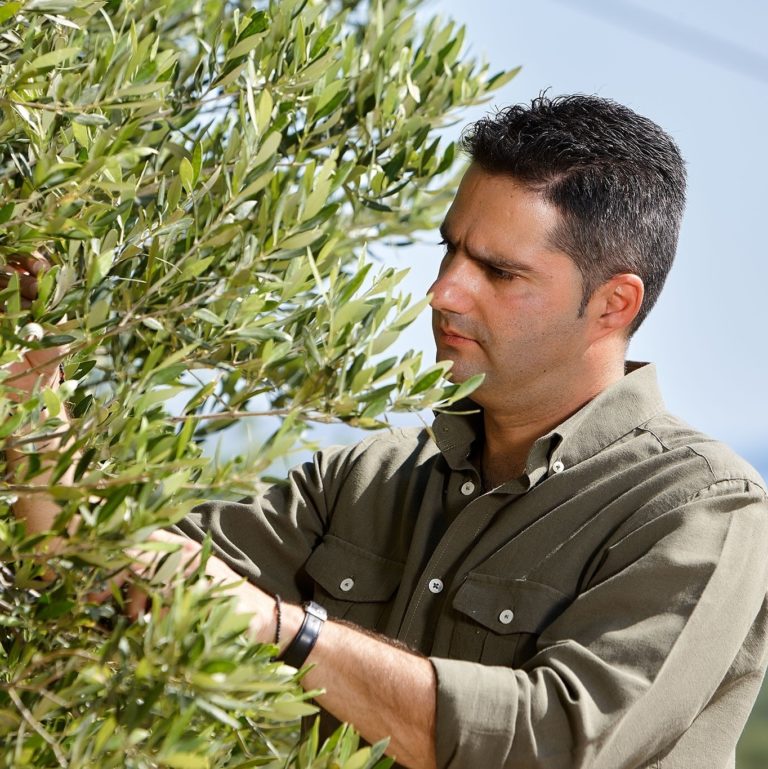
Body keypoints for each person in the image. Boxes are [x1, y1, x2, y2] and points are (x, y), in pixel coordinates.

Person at [7, 94, 768, 769]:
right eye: (449, 249)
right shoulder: (362, 479)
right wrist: (31, 383)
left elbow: (558, 743)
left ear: (613, 303)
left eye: (499, 273)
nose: (442, 291)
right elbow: (99, 579)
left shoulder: (702, 509)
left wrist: (288, 631)